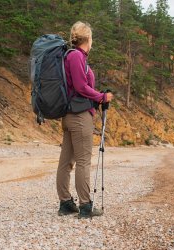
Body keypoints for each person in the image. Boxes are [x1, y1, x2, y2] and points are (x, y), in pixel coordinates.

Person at [56, 21, 114, 218]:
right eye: (91, 38)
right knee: (82, 162)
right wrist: (101, 97)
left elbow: (77, 86)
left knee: (66, 161)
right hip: (79, 116)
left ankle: (65, 203)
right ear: (87, 39)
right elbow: (81, 87)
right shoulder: (76, 57)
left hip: (70, 116)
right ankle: (85, 206)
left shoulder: (71, 56)